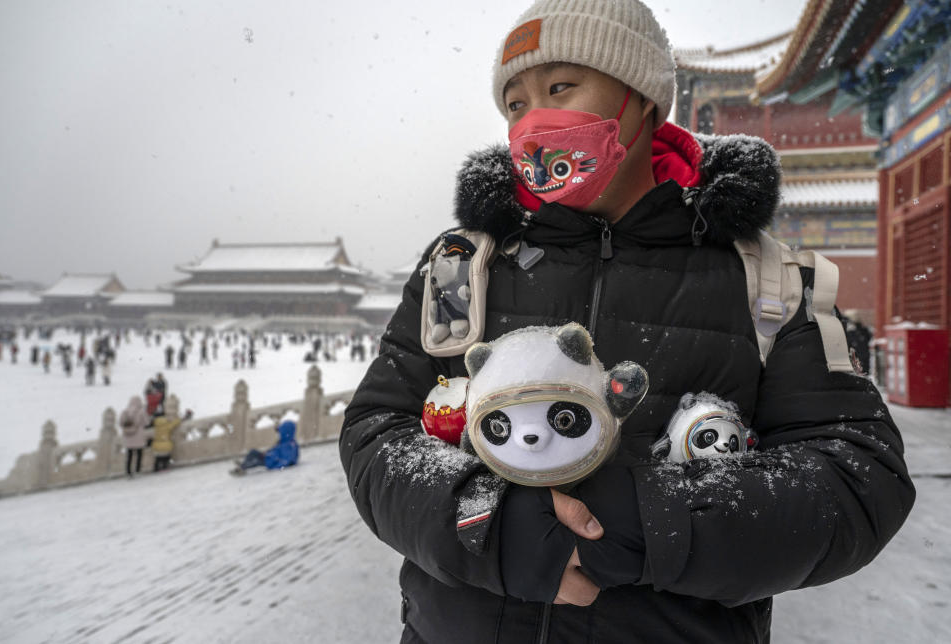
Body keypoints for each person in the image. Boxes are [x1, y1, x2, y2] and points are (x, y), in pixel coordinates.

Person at [338, 2, 916, 642]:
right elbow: (377, 430)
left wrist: (653, 521)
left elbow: (858, 473)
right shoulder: (460, 265)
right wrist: (485, 523)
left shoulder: (767, 280)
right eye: (515, 105)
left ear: (644, 99)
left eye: (560, 88)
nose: (535, 121)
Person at [230, 420, 300, 475]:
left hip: (270, 460)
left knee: (256, 462)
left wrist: (271, 458)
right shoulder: (283, 441)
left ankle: (242, 468)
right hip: (268, 457)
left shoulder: (289, 444)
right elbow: (275, 450)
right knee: (253, 452)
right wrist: (267, 453)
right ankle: (243, 464)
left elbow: (287, 459)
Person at [120, 396, 151, 477]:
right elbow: (147, 423)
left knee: (129, 455)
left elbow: (120, 423)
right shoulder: (141, 412)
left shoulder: (125, 411)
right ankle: (138, 470)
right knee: (139, 454)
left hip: (128, 437)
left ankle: (128, 471)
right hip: (138, 437)